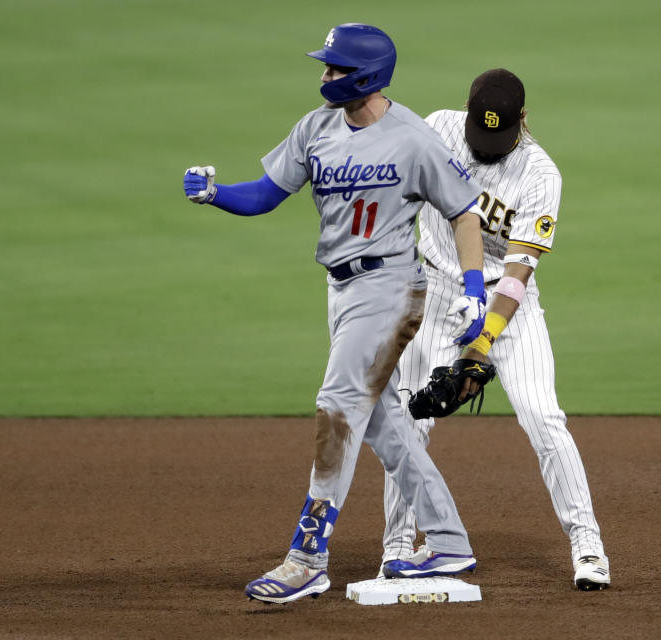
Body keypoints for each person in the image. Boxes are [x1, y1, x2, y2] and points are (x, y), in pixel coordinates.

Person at [182, 23, 492, 604]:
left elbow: (464, 211)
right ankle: (449, 540)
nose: (325, 77)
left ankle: (308, 556)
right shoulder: (316, 128)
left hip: (394, 288)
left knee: (338, 407)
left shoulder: (414, 138)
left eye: (335, 69)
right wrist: (215, 192)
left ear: (367, 76)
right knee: (381, 420)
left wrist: (475, 287)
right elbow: (266, 194)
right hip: (343, 293)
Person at [380, 69, 611, 590]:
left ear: (522, 122)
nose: (485, 150)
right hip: (437, 292)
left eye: (498, 139)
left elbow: (520, 269)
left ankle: (588, 545)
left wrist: (484, 339)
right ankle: (396, 547)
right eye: (479, 139)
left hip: (509, 301)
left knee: (543, 418)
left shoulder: (540, 174)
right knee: (408, 420)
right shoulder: (438, 128)